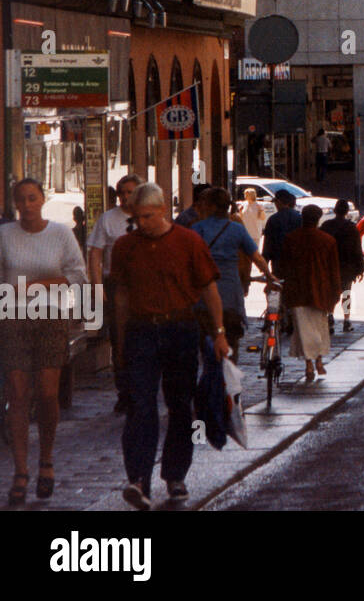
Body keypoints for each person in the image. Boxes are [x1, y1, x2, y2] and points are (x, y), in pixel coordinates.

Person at [112, 182, 228, 509]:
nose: (143, 224)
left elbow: (209, 290)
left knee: (180, 405)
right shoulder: (125, 246)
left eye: (148, 216)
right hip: (140, 331)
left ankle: (175, 474)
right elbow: (120, 298)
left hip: (180, 328)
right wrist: (119, 342)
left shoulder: (188, 241)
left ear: (163, 210)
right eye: (137, 219)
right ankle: (138, 479)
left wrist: (219, 333)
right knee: (140, 406)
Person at [1, 179, 88, 505]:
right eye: (21, 200)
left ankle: (46, 460)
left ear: (42, 199)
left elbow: (78, 275)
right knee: (18, 393)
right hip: (12, 319)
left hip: (51, 318)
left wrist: (40, 284)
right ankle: (21, 471)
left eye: (32, 198)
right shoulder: (5, 236)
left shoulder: (60, 234)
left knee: (48, 393)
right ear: (15, 204)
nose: (27, 205)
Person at [190, 187, 272, 361]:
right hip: (230, 295)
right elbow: (257, 257)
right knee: (231, 343)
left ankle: (212, 379)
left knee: (205, 345)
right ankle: (229, 380)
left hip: (203, 295)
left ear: (210, 206)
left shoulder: (197, 228)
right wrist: (270, 277)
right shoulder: (236, 229)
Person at [88, 172, 143, 414]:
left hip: (145, 286)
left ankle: (143, 386)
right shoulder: (108, 219)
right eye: (122, 193)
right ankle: (125, 392)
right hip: (115, 284)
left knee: (143, 337)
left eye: (130, 192)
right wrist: (98, 287)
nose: (125, 197)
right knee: (119, 338)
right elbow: (96, 254)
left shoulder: (148, 215)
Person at [279, 206, 341, 385]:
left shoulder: (291, 239)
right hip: (321, 290)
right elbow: (333, 270)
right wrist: (336, 292)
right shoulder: (328, 240)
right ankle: (318, 361)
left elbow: (283, 267)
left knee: (303, 329)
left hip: (298, 290)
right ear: (318, 219)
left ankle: (309, 364)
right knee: (319, 327)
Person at [321, 200, 364, 333]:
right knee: (346, 293)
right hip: (347, 266)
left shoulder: (326, 226)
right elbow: (357, 249)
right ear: (347, 212)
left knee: (331, 293)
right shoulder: (352, 227)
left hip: (330, 265)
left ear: (335, 211)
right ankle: (346, 320)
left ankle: (330, 316)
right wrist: (360, 268)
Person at [261, 189, 302, 277]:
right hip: (297, 259)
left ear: (278, 202)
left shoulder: (273, 219)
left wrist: (265, 262)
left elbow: (268, 242)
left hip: (278, 260)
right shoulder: (299, 217)